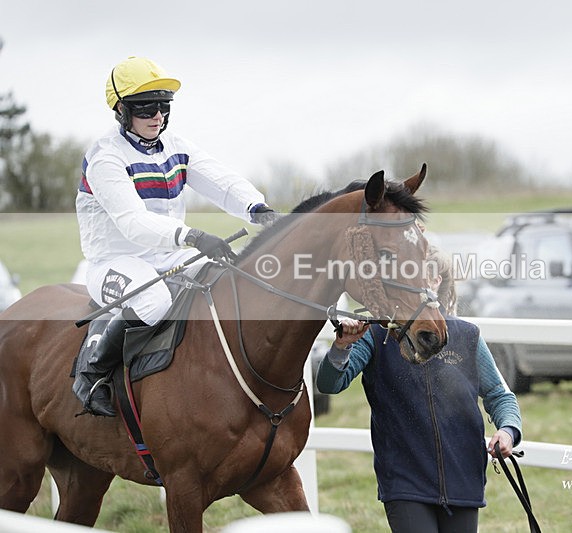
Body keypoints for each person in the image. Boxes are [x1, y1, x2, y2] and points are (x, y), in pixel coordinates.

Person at [74, 56, 278, 417]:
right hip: (116, 262)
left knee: (228, 279)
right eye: (146, 108)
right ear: (121, 110)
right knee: (153, 303)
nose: (158, 116)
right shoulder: (105, 157)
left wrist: (257, 208)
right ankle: (91, 372)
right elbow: (133, 222)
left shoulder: (176, 146)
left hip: (166, 255)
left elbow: (221, 181)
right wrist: (193, 235)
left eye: (164, 106)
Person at [316, 246, 523, 533]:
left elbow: (500, 395)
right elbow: (330, 384)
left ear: (438, 281)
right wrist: (342, 347)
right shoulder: (376, 334)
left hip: (463, 478)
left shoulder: (467, 335)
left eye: (422, 276)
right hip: (404, 482)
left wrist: (508, 430)